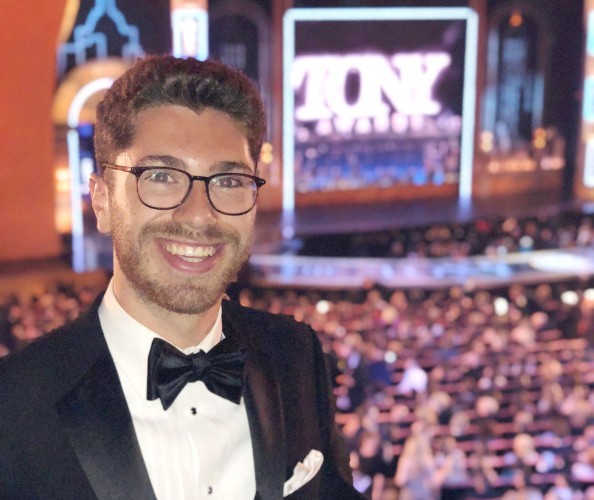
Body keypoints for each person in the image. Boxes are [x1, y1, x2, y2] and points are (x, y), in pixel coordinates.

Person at [0, 55, 362, 500]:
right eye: (161, 176)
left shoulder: (297, 356)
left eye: (228, 181)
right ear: (102, 201)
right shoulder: (13, 402)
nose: (198, 215)